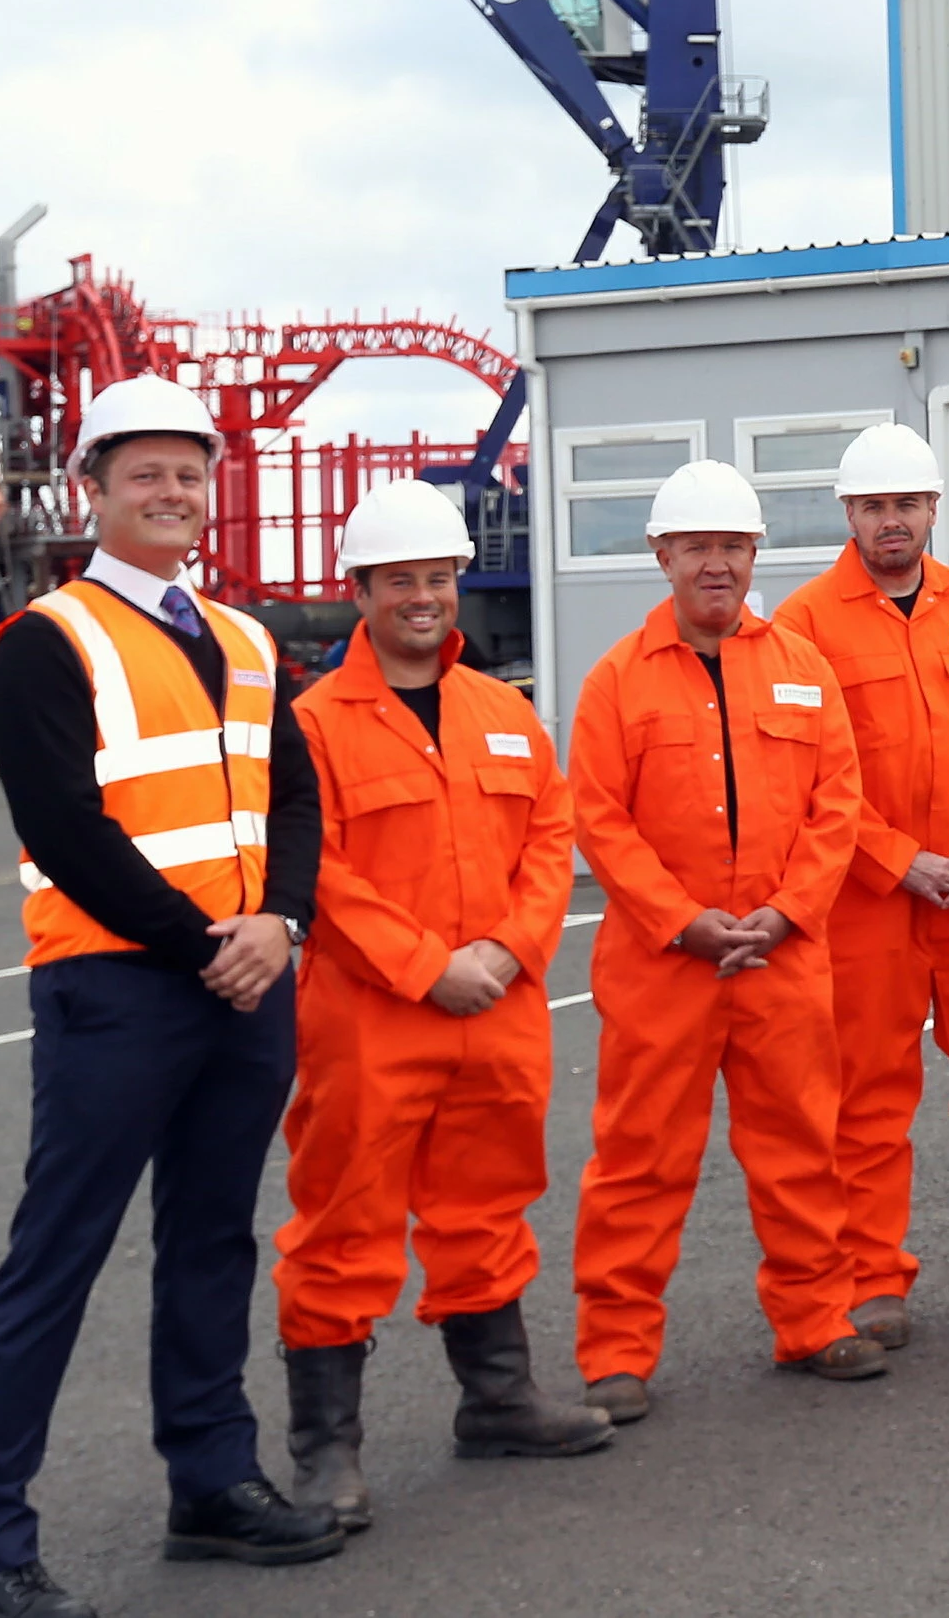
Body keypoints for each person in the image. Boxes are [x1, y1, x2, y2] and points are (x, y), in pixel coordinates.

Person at [0, 378, 346, 1618]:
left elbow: (289, 794)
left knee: (214, 1236)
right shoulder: (44, 642)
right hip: (119, 986)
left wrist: (280, 923)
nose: (171, 494)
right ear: (93, 489)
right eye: (144, 475)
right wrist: (204, 946)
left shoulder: (243, 638)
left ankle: (212, 1482)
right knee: (55, 1258)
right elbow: (65, 825)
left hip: (243, 977)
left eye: (188, 474)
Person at [273, 481, 609, 1532]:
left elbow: (552, 842)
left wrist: (508, 952)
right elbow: (313, 871)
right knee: (342, 1220)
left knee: (488, 1200)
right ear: (361, 590)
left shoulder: (504, 712)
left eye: (437, 576)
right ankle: (327, 1450)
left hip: (496, 1005)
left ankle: (497, 1397)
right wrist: (429, 966)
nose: (423, 597)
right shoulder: (315, 725)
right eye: (400, 580)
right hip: (374, 1015)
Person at [567, 459, 883, 1412]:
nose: (716, 565)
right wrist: (682, 921)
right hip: (665, 963)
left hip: (783, 956)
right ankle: (615, 1351)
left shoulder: (801, 669)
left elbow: (839, 803)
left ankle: (816, 1319)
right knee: (638, 1159)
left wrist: (786, 912)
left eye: (732, 547)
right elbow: (598, 818)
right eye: (696, 547)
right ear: (661, 556)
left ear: (755, 555)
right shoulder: (616, 682)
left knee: (802, 1146)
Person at [774, 424, 949, 1332]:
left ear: (933, 508)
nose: (890, 521)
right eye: (873, 507)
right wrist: (896, 860)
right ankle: (873, 1277)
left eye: (905, 504)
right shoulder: (806, 624)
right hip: (870, 904)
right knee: (866, 1094)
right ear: (848, 514)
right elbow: (810, 774)